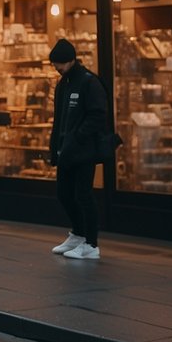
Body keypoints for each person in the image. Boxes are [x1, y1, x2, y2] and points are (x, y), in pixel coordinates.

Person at [47, 38, 107, 260]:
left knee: (83, 195)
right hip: (66, 150)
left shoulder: (89, 82)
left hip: (83, 151)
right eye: (54, 64)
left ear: (71, 60)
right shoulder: (63, 84)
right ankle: (78, 234)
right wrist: (55, 147)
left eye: (59, 63)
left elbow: (98, 115)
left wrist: (78, 137)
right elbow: (59, 119)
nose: (56, 68)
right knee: (64, 194)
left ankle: (91, 244)